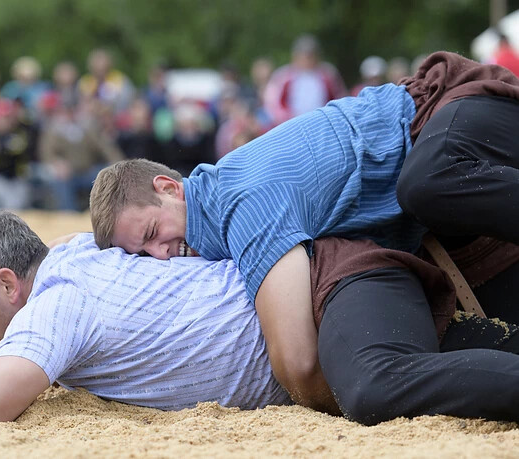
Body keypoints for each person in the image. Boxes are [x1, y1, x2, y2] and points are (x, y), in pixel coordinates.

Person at [90, 51, 519, 408]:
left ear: (168, 188)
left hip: (452, 104)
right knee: (383, 374)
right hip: (441, 210)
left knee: (426, 183)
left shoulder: (237, 203)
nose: (160, 254)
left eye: (150, 233)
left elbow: (297, 361)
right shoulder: (221, 208)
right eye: (142, 254)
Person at [0, 212, 519, 427]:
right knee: (437, 364)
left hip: (334, 289)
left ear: (10, 283)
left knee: (376, 387)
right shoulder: (74, 253)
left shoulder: (56, 305)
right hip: (347, 294)